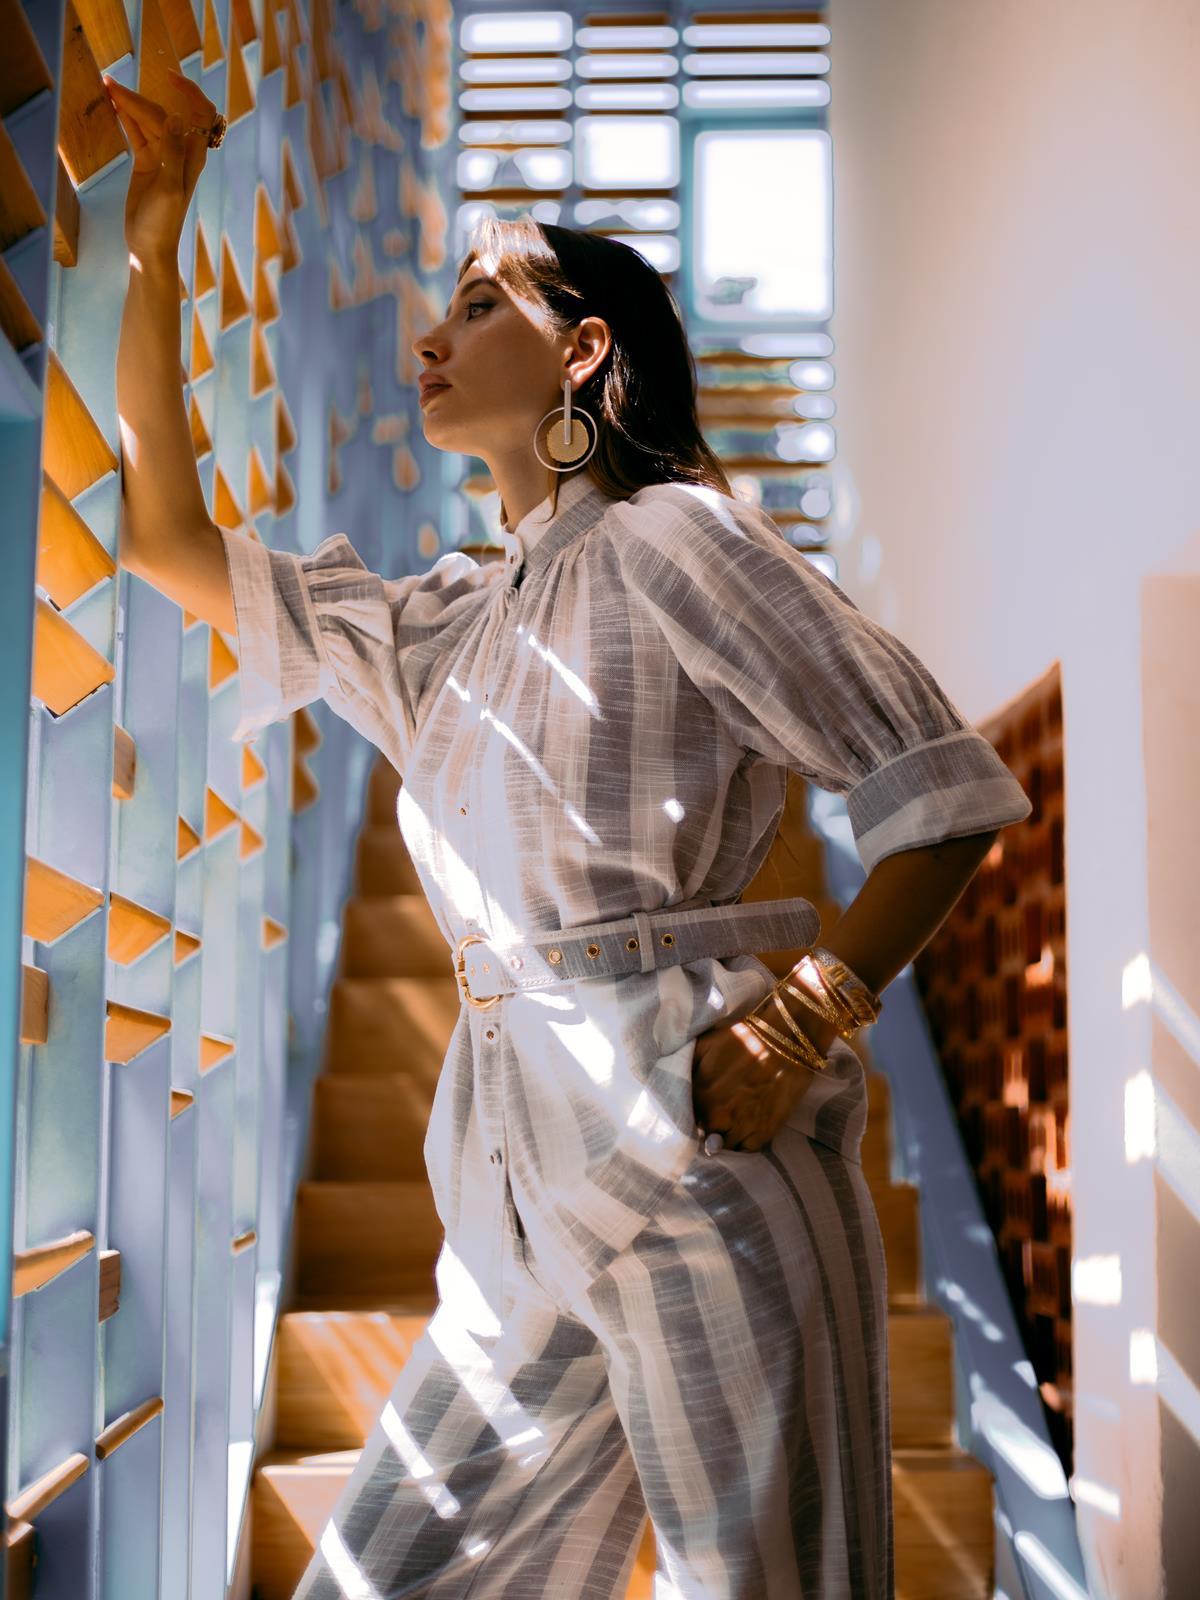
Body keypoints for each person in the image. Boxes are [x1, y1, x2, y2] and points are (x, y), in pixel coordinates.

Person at [105, 70, 1031, 1600]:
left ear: (583, 350)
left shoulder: (675, 538)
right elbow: (164, 544)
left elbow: (941, 793)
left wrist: (802, 1022)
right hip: (511, 1188)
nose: (430, 339)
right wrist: (156, 229)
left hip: (697, 1142)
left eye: (478, 307)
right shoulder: (449, 623)